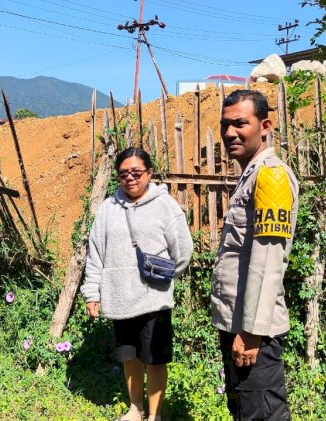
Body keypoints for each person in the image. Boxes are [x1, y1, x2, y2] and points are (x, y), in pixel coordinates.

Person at [81, 147, 193, 421]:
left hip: (153, 298)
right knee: (129, 357)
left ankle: (154, 415)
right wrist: (92, 293)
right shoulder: (108, 208)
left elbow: (183, 250)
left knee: (155, 359)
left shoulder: (165, 206)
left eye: (136, 172)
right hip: (120, 297)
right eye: (123, 174)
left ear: (149, 173)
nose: (130, 178)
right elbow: (95, 253)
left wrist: (163, 279)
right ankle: (136, 409)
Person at [211, 90, 299, 420]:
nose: (230, 132)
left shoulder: (270, 176)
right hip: (239, 325)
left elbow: (267, 259)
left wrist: (251, 332)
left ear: (264, 126)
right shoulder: (251, 174)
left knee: (260, 414)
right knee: (244, 411)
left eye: (240, 124)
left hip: (253, 333)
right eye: (225, 125)